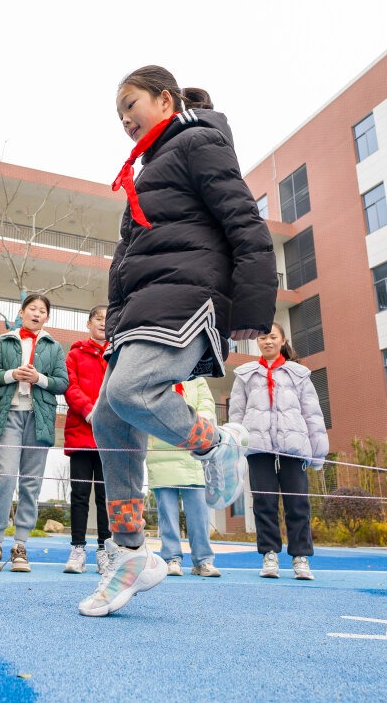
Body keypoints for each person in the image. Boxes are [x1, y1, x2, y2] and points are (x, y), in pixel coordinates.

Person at [79, 65, 276, 617]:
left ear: (165, 99)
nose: (124, 118)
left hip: (190, 300)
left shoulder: (198, 141)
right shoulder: (145, 171)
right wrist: (114, 326)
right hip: (142, 310)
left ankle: (215, 444)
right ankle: (130, 551)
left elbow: (245, 223)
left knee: (133, 392)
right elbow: (126, 264)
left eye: (131, 104)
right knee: (108, 419)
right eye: (117, 113)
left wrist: (255, 308)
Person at [229, 323, 327, 579]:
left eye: (273, 337)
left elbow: (312, 414)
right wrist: (235, 447)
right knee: (264, 502)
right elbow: (236, 413)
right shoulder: (245, 374)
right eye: (263, 338)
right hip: (258, 447)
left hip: (293, 446)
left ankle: (300, 557)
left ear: (282, 340)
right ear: (257, 342)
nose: (267, 341)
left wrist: (318, 453)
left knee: (298, 503)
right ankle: (269, 554)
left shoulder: (299, 374)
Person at [0, 293, 68, 573]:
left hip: (38, 419)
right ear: (21, 312)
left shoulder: (54, 347)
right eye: (32, 309)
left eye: (42, 310)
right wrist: (12, 375)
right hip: (9, 417)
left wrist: (38, 378)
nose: (37, 314)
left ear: (47, 317)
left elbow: (62, 382)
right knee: (4, 478)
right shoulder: (4, 341)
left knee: (31, 482)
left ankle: (21, 545)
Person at [148, 377, 221, 577]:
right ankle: (171, 558)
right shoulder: (155, 375)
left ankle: (203, 560)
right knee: (167, 513)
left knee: (199, 513)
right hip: (161, 452)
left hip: (193, 450)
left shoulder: (197, 379)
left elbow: (207, 404)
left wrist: (196, 424)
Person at [63, 304, 111, 574]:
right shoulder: (75, 353)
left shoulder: (118, 354)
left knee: (105, 496)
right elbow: (71, 387)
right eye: (98, 318)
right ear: (88, 323)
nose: (103, 323)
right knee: (79, 494)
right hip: (81, 433)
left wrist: (107, 415)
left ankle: (104, 549)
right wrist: (89, 411)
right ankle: (78, 548)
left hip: (108, 436)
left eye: (108, 319)